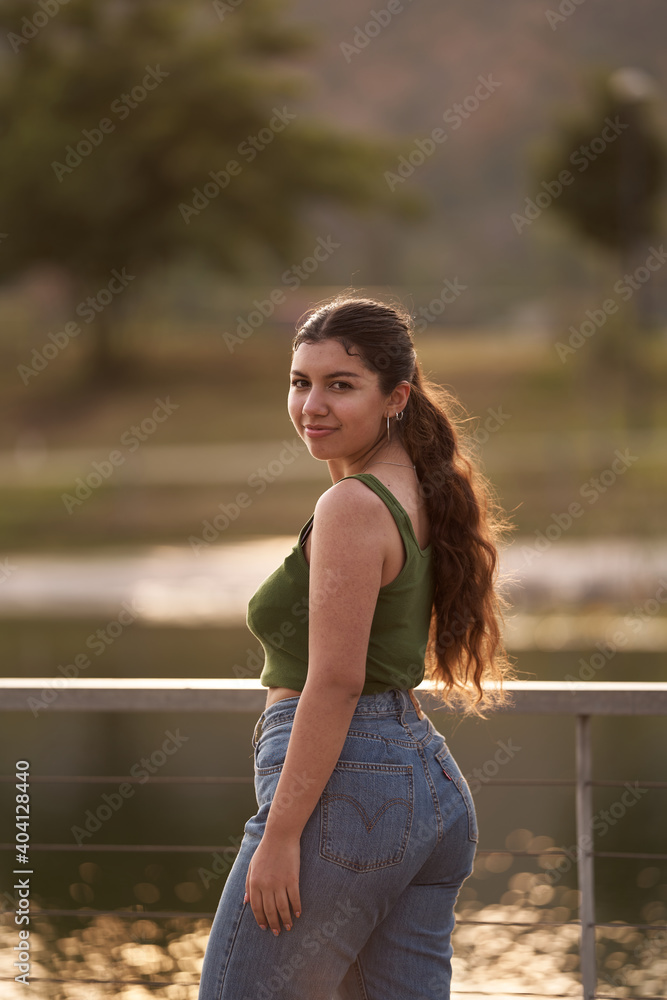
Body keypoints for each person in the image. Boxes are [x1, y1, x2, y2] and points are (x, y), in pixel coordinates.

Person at [198, 294, 514, 1000]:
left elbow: (336, 681)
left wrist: (281, 837)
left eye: (340, 385)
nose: (312, 403)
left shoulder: (351, 505)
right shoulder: (418, 491)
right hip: (423, 789)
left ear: (395, 396)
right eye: (299, 382)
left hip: (347, 796)